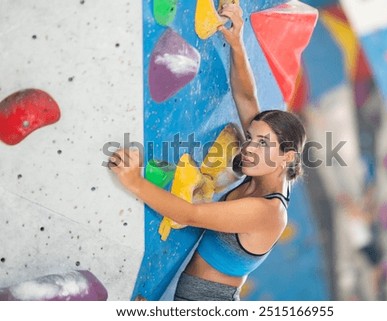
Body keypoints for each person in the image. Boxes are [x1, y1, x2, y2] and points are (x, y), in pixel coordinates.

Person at [109, 3, 307, 301]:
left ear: (288, 157)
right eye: (252, 138)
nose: (250, 149)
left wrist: (134, 181)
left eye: (263, 144)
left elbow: (189, 214)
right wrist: (238, 42)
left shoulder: (268, 212)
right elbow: (245, 95)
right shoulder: (269, 170)